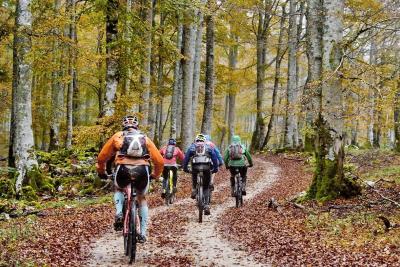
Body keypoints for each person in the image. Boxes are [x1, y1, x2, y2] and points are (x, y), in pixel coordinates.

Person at [96, 115, 164, 243]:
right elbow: (159, 161)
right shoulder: (145, 138)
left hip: (123, 169)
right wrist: (156, 175)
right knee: (142, 198)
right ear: (136, 126)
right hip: (142, 171)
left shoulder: (118, 136)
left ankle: (118, 212)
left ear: (124, 125)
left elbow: (102, 157)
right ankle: (143, 233)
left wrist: (101, 171)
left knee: (119, 188)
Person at [182, 134, 219, 215]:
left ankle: (195, 189)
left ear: (196, 140)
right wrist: (215, 169)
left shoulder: (192, 147)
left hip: (195, 168)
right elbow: (214, 159)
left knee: (194, 176)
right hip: (206, 169)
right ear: (204, 141)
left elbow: (186, 159)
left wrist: (185, 168)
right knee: (206, 187)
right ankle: (206, 205)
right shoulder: (209, 147)